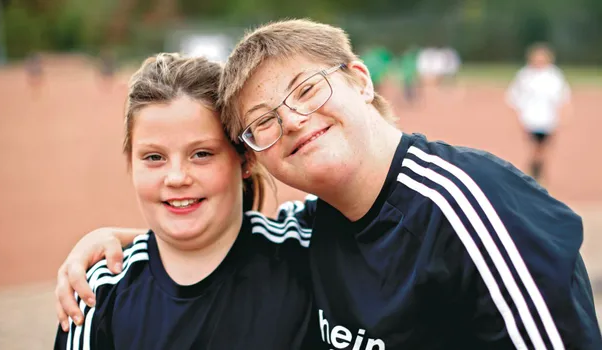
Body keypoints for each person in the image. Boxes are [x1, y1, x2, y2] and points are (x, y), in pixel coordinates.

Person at [57, 20, 601, 349]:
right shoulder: (314, 230)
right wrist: (128, 240)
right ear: (257, 156)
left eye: (307, 89)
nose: (292, 119)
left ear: (360, 80)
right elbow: (216, 238)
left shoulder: (468, 208)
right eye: (264, 121)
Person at [53, 53, 322, 350]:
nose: (177, 177)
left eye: (202, 154)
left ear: (245, 158)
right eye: (154, 157)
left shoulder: (307, 249)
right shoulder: (100, 292)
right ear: (131, 164)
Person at [506, 42, 572, 182]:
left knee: (543, 148)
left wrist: (563, 116)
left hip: (548, 118)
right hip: (530, 118)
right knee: (536, 147)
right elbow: (514, 97)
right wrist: (518, 117)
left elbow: (563, 97)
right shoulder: (525, 75)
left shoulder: (554, 75)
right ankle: (535, 172)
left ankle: (536, 170)